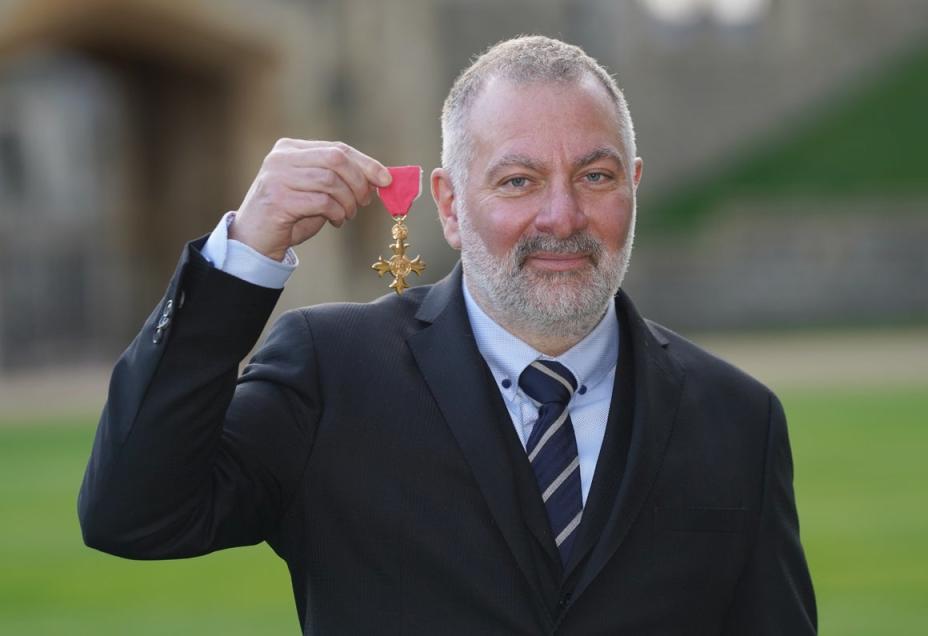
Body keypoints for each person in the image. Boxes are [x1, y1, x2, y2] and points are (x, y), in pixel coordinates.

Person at [79, 36, 817, 634]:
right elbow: (133, 513)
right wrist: (242, 255)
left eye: (595, 176)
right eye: (518, 181)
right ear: (451, 205)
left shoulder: (739, 421)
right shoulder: (330, 375)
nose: (561, 216)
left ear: (634, 186)